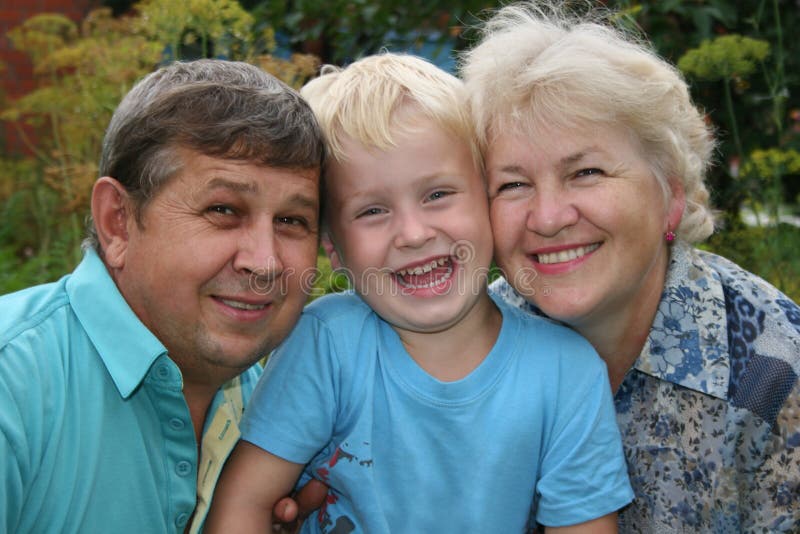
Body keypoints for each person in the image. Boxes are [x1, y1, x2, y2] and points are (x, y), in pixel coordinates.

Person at [206, 52, 633, 533]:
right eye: (372, 211)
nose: (412, 233)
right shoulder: (327, 343)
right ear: (335, 250)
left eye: (437, 195)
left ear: (489, 201)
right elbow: (242, 506)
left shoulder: (566, 372)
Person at [459, 1, 800, 532]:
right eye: (513, 184)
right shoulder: (459, 348)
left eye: (587, 172)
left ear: (671, 195)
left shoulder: (774, 368)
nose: (547, 218)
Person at [0, 58, 327, 533]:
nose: (266, 262)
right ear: (118, 222)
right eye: (223, 209)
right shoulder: (13, 388)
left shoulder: (282, 411)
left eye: (292, 221)